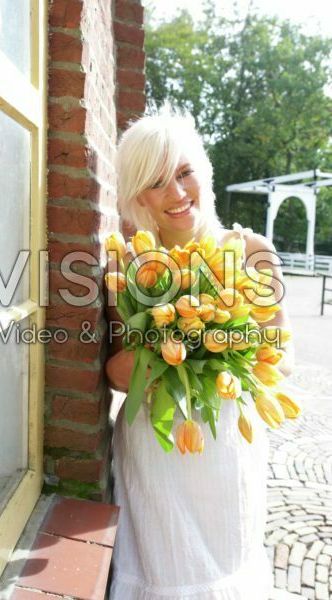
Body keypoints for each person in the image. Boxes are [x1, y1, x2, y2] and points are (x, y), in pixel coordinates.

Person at [104, 106, 294, 600]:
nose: (177, 193)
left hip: (226, 443)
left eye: (185, 172)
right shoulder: (128, 265)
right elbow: (119, 372)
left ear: (203, 172)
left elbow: (283, 353)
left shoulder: (252, 249)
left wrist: (215, 341)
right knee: (161, 569)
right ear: (137, 194)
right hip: (154, 448)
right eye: (157, 180)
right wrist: (171, 349)